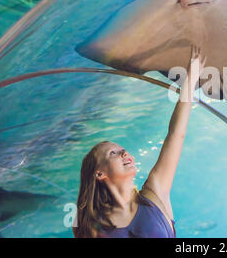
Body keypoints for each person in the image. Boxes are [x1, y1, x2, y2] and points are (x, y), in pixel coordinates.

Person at [73, 46, 206, 238]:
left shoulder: (156, 192)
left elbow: (176, 135)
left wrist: (190, 81)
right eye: (113, 153)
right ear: (99, 173)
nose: (124, 154)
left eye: (123, 150)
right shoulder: (90, 227)